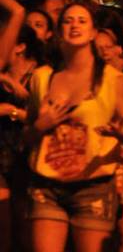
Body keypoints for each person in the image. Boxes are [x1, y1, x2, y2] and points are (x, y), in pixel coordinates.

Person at [25, 2, 123, 252]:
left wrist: (120, 133)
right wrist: (41, 125)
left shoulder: (112, 79)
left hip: (93, 186)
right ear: (58, 30)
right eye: (68, 20)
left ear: (93, 31)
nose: (74, 25)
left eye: (81, 20)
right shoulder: (41, 77)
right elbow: (27, 135)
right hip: (47, 183)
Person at [0, 24, 45, 252]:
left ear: (19, 46)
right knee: (4, 226)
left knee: (24, 225)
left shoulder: (39, 75)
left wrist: (13, 112)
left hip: (26, 155)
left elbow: (44, 118)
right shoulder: (4, 75)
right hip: (3, 155)